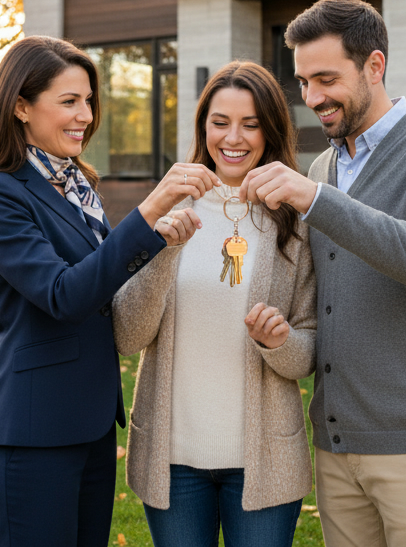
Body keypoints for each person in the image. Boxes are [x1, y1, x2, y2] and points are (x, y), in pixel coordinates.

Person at [239, 0, 406, 547]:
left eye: (326, 79)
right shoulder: (323, 167)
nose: (312, 98)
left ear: (374, 66)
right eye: (304, 82)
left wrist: (316, 200)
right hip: (337, 444)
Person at [0, 36, 221, 547]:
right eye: (68, 101)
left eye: (87, 100)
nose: (85, 115)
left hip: (92, 425)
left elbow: (103, 287)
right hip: (34, 434)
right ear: (20, 106)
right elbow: (64, 294)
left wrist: (158, 243)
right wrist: (150, 210)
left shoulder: (77, 186)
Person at [113, 61, 317, 547]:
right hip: (173, 462)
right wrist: (165, 252)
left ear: (271, 131)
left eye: (250, 124)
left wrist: (280, 341)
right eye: (220, 122)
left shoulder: (296, 222)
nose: (234, 138)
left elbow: (308, 353)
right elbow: (127, 335)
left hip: (265, 462)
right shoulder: (165, 207)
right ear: (203, 127)